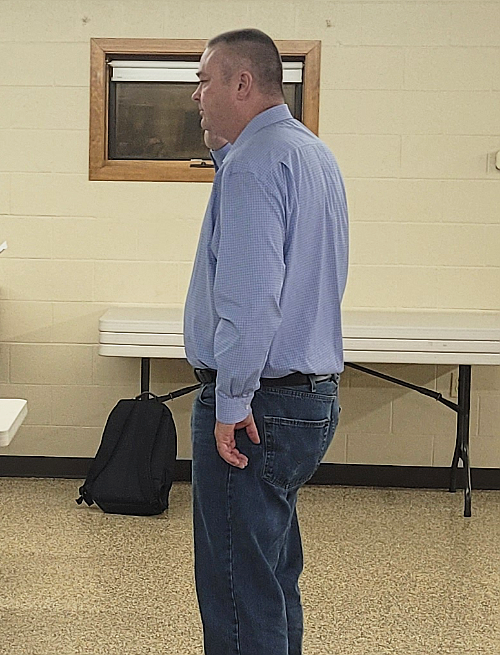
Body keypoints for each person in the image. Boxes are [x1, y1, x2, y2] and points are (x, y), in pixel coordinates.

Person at [183, 29, 349, 655]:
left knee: (235, 590)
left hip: (258, 408)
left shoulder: (255, 164)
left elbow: (251, 300)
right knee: (271, 578)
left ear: (242, 84)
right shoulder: (312, 154)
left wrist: (231, 403)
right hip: (306, 398)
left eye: (204, 80)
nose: (197, 96)